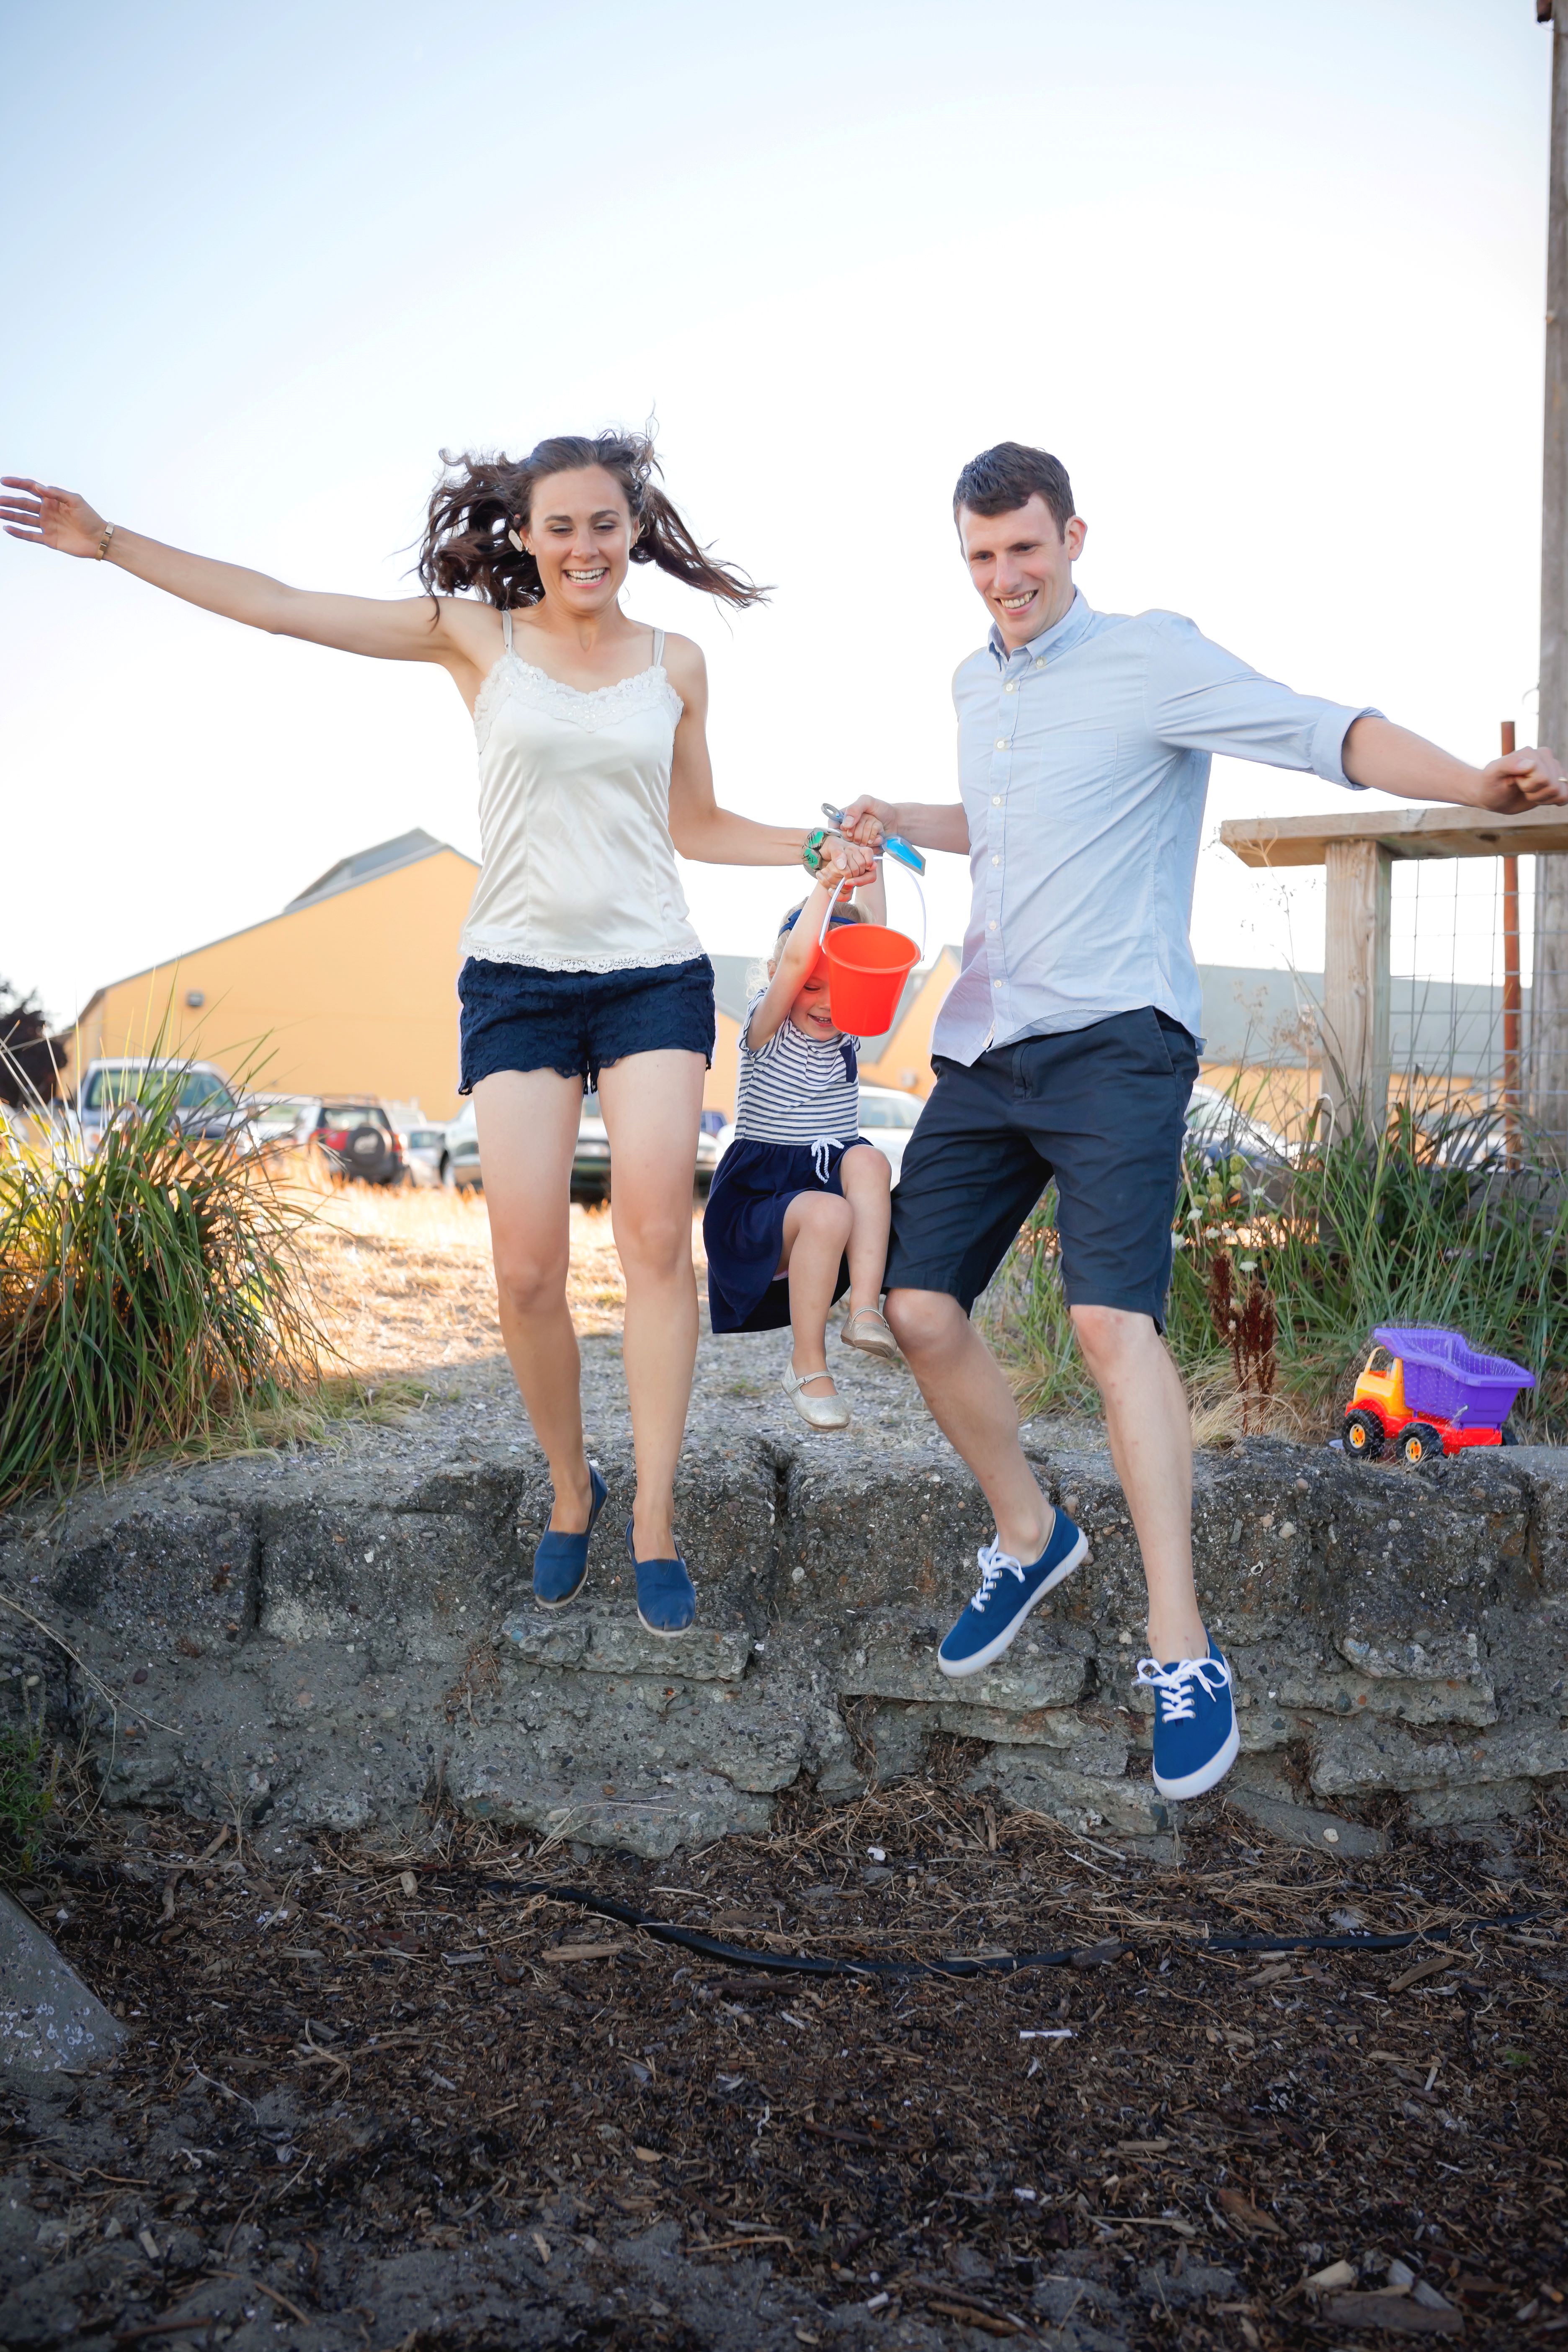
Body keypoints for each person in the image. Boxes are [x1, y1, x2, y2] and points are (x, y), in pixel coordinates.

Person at [2, 434, 872, 1638]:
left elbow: (697, 823)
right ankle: (572, 1485)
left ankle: (654, 1518)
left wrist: (813, 846)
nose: (584, 547)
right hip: (516, 979)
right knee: (526, 1269)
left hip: (651, 975)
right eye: (561, 526)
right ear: (527, 534)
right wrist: (109, 543)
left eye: (605, 524)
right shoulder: (476, 638)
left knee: (654, 1242)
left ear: (634, 529)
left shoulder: (675, 662)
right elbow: (283, 606)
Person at [842, 438, 1567, 1801]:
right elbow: (1004, 821)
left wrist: (1473, 783)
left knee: (1110, 1325)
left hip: (1117, 1037)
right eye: (981, 556)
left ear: (1074, 538)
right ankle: (1031, 1533)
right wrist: (900, 819)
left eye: (1025, 548)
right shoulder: (972, 683)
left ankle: (1181, 1646)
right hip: (989, 1037)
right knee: (918, 1310)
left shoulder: (1151, 657)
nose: (1003, 576)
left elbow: (1322, 727)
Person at [702, 871, 899, 1430]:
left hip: (825, 1180)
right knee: (828, 1210)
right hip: (761, 1199)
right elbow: (795, 961)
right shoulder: (764, 1028)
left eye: (842, 988)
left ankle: (864, 1308)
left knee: (869, 1160)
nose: (828, 1003)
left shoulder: (849, 1029)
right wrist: (831, 881)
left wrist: (872, 860)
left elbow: (879, 945)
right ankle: (807, 1363)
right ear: (778, 977)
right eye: (813, 986)